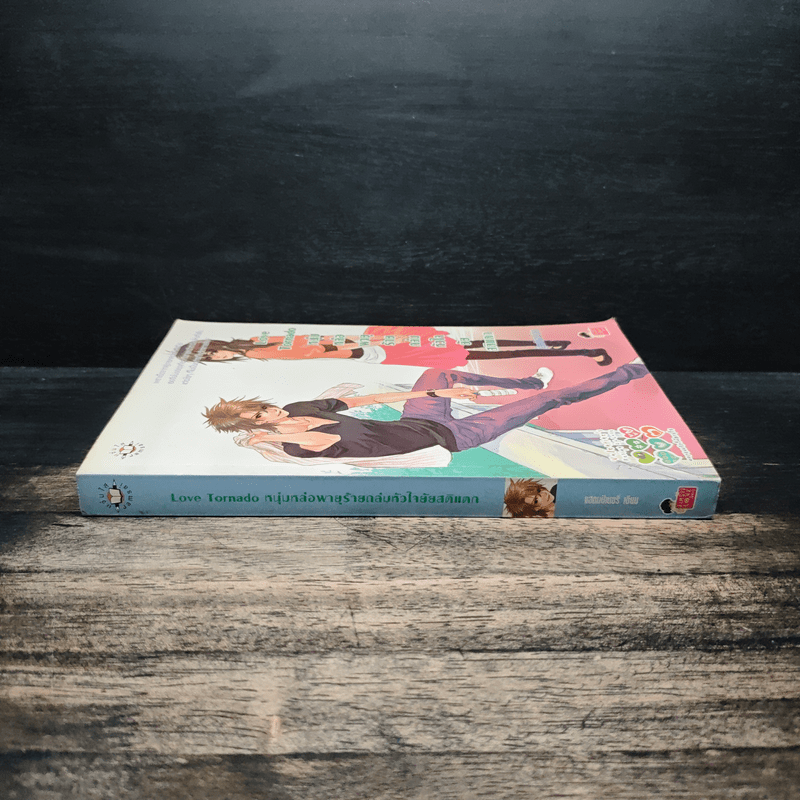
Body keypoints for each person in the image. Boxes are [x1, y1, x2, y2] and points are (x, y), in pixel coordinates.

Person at [203, 362, 648, 462]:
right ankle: (630, 371)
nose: (268, 412)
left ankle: (528, 381)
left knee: (437, 372)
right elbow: (322, 441)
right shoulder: (297, 446)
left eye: (260, 407)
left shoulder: (299, 407)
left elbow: (362, 403)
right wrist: (273, 438)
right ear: (255, 429)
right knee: (546, 403)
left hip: (417, 418)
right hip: (452, 439)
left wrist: (439, 392)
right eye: (258, 418)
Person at [177, 326, 613, 368]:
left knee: (485, 346)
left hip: (374, 347)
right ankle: (568, 347)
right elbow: (315, 346)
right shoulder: (254, 347)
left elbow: (314, 348)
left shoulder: (255, 348)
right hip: (375, 346)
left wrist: (353, 346)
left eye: (209, 352)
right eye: (209, 358)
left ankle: (567, 345)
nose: (216, 356)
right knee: (485, 347)